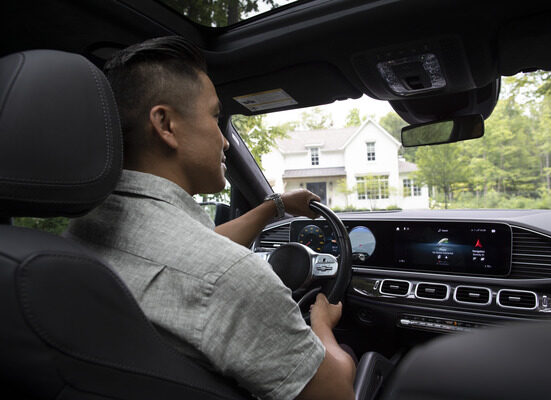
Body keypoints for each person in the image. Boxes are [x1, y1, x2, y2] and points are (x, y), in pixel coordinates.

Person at [66, 36, 355, 400]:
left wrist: (273, 207)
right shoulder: (234, 280)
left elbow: (194, 251)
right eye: (215, 117)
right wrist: (321, 324)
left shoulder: (81, 232)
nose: (226, 141)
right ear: (166, 124)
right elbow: (337, 392)